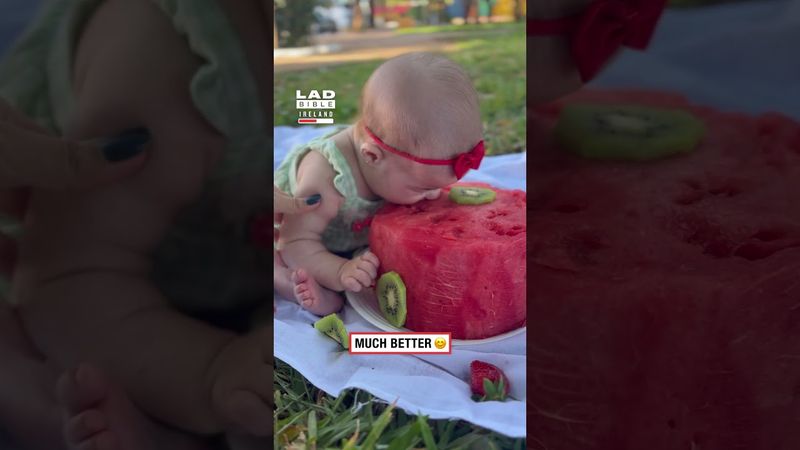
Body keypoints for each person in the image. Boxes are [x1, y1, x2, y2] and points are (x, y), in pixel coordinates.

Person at [274, 52, 484, 316]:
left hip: (350, 245)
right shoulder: (325, 180)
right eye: (422, 188)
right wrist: (340, 271)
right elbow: (294, 242)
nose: (433, 197)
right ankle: (288, 285)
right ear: (372, 156)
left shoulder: (391, 169)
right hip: (293, 240)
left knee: (356, 280)